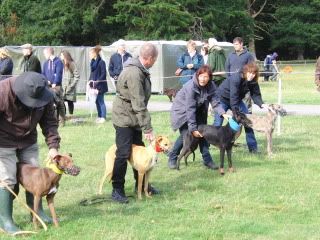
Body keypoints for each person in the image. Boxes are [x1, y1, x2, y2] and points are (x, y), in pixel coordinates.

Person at [0, 72, 61, 235]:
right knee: (7, 179)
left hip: (28, 141)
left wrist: (53, 146)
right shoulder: (3, 92)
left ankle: (37, 213)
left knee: (36, 175)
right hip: (3, 142)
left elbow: (49, 122)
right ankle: (5, 221)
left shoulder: (44, 94)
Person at [111, 42, 159, 204]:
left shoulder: (140, 69)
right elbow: (138, 103)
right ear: (150, 58)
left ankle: (144, 187)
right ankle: (117, 190)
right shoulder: (134, 72)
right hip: (124, 118)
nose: (155, 62)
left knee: (140, 154)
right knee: (123, 153)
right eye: (155, 59)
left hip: (133, 118)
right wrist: (148, 128)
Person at [168, 65, 229, 170]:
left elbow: (215, 102)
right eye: (201, 76)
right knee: (187, 136)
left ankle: (207, 160)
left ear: (209, 78)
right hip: (182, 112)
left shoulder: (211, 86)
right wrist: (192, 128)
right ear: (197, 75)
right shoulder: (190, 86)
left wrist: (223, 113)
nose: (203, 79)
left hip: (198, 111)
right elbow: (190, 108)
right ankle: (173, 157)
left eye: (206, 77)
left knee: (203, 134)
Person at [214, 62, 269, 153]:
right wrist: (236, 114)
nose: (251, 75)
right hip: (222, 99)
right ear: (245, 71)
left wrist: (261, 104)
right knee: (218, 122)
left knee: (248, 121)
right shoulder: (236, 78)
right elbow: (233, 96)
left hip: (237, 100)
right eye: (250, 73)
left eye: (254, 73)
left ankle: (253, 148)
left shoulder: (253, 81)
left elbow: (256, 94)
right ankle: (210, 144)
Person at [225, 37, 255, 113]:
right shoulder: (230, 55)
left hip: (244, 84)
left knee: (246, 105)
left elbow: (252, 68)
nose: (235, 46)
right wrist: (229, 79)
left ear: (241, 44)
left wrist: (247, 80)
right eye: (234, 44)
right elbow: (227, 68)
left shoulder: (248, 55)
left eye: (236, 44)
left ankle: (248, 120)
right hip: (233, 84)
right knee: (235, 103)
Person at [42, 47, 66, 126]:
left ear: (49, 53)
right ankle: (54, 121)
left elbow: (59, 73)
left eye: (45, 54)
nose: (44, 55)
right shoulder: (46, 63)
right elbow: (43, 74)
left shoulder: (58, 61)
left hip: (57, 86)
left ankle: (62, 120)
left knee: (60, 103)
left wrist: (55, 83)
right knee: (52, 104)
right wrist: (46, 81)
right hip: (48, 87)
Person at [89, 45, 108, 124]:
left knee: (101, 101)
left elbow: (103, 74)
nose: (89, 55)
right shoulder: (92, 63)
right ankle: (99, 116)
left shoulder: (101, 62)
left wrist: (97, 81)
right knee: (96, 101)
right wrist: (90, 82)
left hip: (101, 86)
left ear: (95, 54)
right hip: (94, 85)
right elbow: (92, 74)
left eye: (90, 54)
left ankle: (103, 117)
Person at [60, 50, 80, 119]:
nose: (60, 56)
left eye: (61, 55)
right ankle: (64, 116)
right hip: (63, 87)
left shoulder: (72, 64)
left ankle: (71, 115)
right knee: (61, 101)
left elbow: (77, 76)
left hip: (70, 87)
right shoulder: (61, 64)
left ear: (65, 56)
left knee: (70, 101)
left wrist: (71, 85)